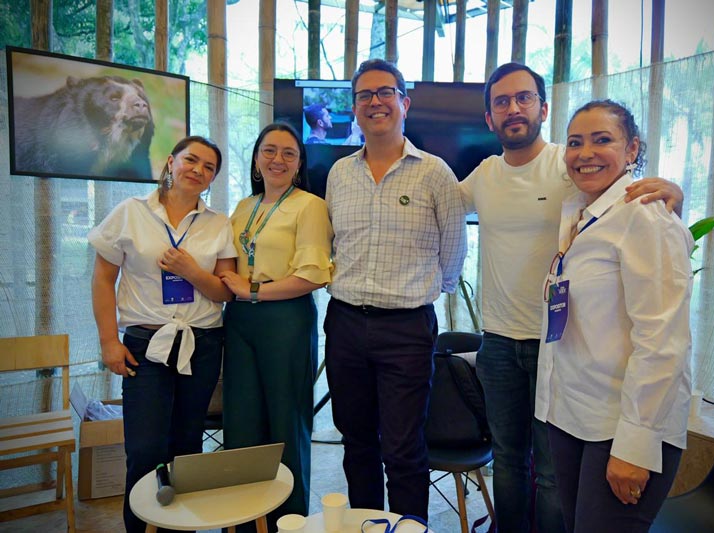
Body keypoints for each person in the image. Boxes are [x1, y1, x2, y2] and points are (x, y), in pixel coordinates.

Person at [459, 62, 684, 533]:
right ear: (489, 118)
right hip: (507, 344)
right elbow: (435, 206)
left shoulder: (571, 166)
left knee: (550, 479)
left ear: (542, 108)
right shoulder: (485, 176)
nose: (513, 108)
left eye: (523, 98)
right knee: (509, 460)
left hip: (555, 350)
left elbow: (662, 326)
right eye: (501, 101)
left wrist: (673, 191)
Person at [535, 99, 693, 533]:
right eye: (574, 142)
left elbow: (663, 339)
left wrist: (635, 445)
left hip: (625, 426)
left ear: (632, 149)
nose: (585, 152)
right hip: (572, 413)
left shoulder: (646, 217)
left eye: (602, 140)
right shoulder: (579, 210)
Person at [324, 58, 467, 520]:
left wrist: (419, 292)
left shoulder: (435, 173)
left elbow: (453, 254)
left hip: (407, 328)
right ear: (355, 109)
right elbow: (332, 244)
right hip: (345, 323)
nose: (375, 102)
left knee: (404, 449)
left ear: (404, 102)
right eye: (364, 95)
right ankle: (366, 526)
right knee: (357, 442)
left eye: (385, 92)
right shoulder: (339, 174)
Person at [89, 136, 236, 533]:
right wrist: (108, 342)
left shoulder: (218, 223)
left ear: (212, 179)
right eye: (191, 160)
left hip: (201, 344)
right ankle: (141, 528)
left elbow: (224, 291)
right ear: (171, 163)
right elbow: (103, 279)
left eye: (208, 167)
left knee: (186, 445)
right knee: (144, 449)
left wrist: (192, 271)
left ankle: (178, 529)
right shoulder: (130, 212)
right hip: (144, 344)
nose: (198, 170)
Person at [218, 122, 333, 530]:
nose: (277, 159)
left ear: (299, 163)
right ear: (255, 157)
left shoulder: (309, 205)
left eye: (288, 153)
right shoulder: (243, 208)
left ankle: (289, 522)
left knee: (286, 425)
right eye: (269, 150)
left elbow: (314, 275)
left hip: (285, 317)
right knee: (242, 424)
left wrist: (250, 291)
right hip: (240, 320)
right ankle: (243, 522)